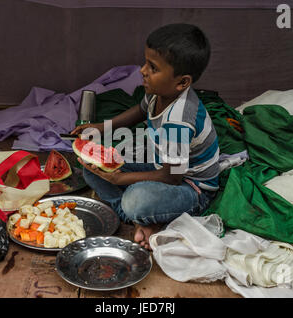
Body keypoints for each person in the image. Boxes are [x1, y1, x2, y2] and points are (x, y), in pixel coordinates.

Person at [71, 23, 220, 250]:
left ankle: (140, 215)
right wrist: (101, 127)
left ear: (182, 82)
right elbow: (139, 112)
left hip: (192, 188)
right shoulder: (159, 92)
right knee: (91, 172)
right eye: (145, 63)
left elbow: (173, 177)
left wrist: (119, 180)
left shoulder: (178, 120)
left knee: (136, 198)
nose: (142, 70)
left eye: (153, 68)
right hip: (162, 166)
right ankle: (142, 219)